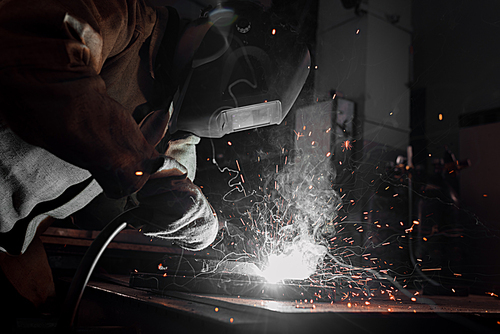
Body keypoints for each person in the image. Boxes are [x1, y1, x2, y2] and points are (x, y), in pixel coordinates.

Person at [0, 0, 310, 315]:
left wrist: (198, 226)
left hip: (9, 243)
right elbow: (44, 68)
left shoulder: (170, 118)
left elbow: (119, 205)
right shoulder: (119, 16)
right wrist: (147, 169)